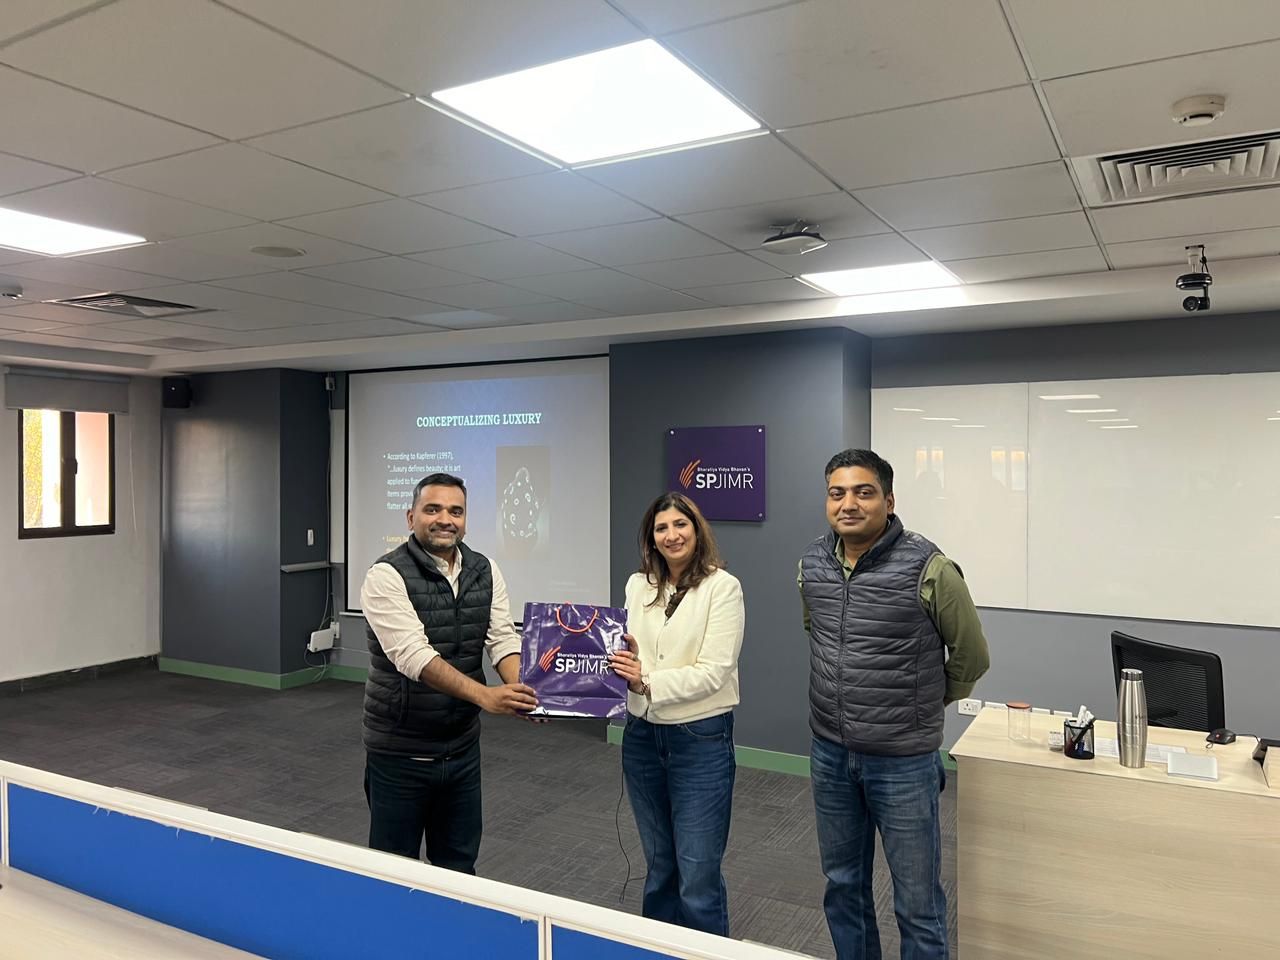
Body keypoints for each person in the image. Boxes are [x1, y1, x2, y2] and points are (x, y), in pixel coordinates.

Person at [798, 449, 990, 960]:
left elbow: (971, 655)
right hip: (831, 754)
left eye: (864, 492)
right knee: (843, 887)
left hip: (903, 761)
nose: (849, 504)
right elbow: (818, 633)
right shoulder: (812, 564)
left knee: (917, 902)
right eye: (837, 493)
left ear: (888, 501)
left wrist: (926, 701)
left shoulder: (930, 567)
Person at [360, 472, 539, 874]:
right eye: (433, 509)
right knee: (394, 872)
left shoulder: (484, 569)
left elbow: (502, 640)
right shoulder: (385, 575)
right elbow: (414, 657)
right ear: (411, 517)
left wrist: (522, 690)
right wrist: (486, 696)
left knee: (458, 868)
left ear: (465, 519)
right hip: (400, 753)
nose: (445, 519)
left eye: (456, 511)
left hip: (461, 750)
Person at [609, 492, 744, 937]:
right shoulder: (637, 585)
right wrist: (625, 661)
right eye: (661, 528)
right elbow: (635, 654)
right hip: (642, 737)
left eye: (680, 525)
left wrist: (646, 680)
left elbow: (715, 671)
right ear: (651, 538)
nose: (671, 535)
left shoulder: (722, 588)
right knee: (660, 866)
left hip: (699, 740)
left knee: (697, 874)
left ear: (697, 529)